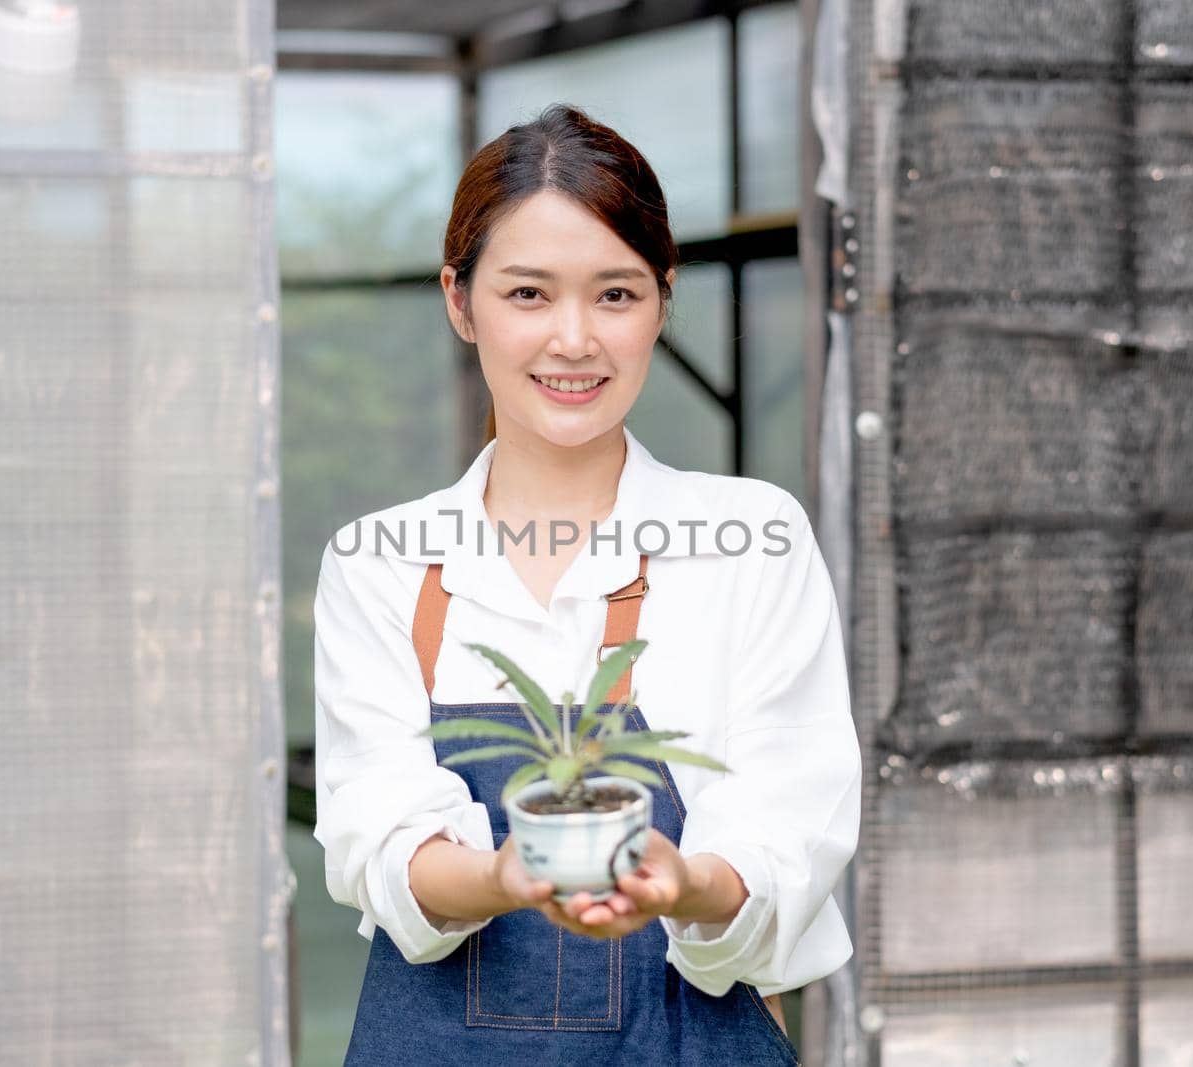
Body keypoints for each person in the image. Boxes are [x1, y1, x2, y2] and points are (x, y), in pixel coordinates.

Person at [312, 103, 860, 1063]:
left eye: (616, 295)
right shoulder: (383, 560)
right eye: (528, 294)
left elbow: (790, 832)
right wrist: (506, 876)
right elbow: (377, 840)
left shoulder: (752, 539)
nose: (574, 339)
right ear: (459, 298)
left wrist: (681, 884)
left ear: (661, 300)